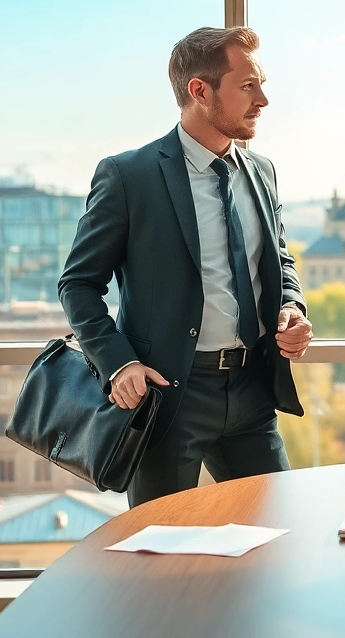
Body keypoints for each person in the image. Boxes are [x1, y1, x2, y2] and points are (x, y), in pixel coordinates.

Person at [59, 26, 313, 507]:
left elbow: (278, 258)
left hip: (252, 392)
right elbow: (78, 284)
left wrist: (292, 308)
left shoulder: (262, 171)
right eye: (247, 86)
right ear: (200, 90)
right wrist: (119, 364)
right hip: (170, 398)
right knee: (160, 548)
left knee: (281, 527)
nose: (263, 99)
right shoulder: (129, 176)